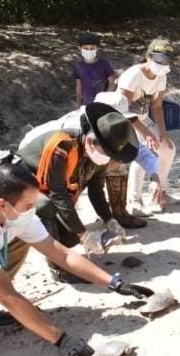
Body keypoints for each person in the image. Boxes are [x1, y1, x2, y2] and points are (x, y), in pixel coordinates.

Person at [0, 151, 154, 356]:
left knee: (17, 240)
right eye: (28, 205)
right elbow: (7, 295)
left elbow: (61, 255)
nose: (32, 209)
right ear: (2, 204)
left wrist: (114, 283)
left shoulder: (12, 213)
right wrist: (59, 338)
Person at [16, 103, 138, 284]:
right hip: (21, 188)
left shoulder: (96, 156)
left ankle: (60, 251)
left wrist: (110, 220)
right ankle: (58, 269)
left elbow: (96, 192)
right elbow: (56, 193)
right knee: (47, 206)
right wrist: (84, 234)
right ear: (90, 141)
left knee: (70, 237)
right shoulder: (62, 146)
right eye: (108, 153)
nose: (111, 160)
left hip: (49, 191)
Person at [19, 91, 161, 229]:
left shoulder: (111, 132)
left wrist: (155, 177)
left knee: (111, 165)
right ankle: (48, 222)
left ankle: (118, 214)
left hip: (70, 154)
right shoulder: (73, 131)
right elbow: (59, 186)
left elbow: (140, 152)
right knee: (59, 194)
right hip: (39, 155)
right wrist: (80, 231)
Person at [118, 39, 176, 215]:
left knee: (167, 149)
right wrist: (146, 135)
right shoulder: (133, 75)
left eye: (167, 62)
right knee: (143, 151)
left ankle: (158, 192)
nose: (163, 66)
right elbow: (123, 110)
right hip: (123, 122)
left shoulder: (161, 76)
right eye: (159, 62)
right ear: (148, 57)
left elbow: (157, 107)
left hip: (143, 120)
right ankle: (134, 201)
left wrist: (162, 134)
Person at [74, 32, 116, 107]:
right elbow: (78, 87)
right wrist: (78, 106)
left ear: (97, 48)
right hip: (87, 105)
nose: (89, 51)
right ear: (79, 48)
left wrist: (104, 98)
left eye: (92, 48)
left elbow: (112, 84)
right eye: (86, 48)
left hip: (104, 104)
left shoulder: (104, 64)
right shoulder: (78, 67)